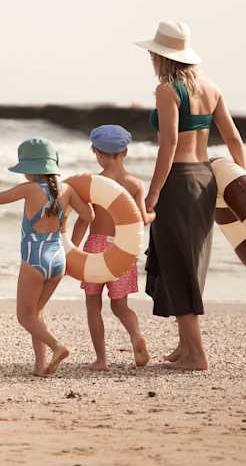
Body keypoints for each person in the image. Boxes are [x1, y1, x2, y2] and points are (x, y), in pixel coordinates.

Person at [135, 20, 246, 371]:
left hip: (178, 181)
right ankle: (185, 347)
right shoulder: (211, 88)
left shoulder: (167, 91)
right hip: (204, 177)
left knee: (179, 263)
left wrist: (152, 194)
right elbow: (234, 140)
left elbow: (167, 145)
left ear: (160, 56)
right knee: (189, 260)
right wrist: (240, 181)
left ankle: (196, 355)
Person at [0, 138, 93, 377]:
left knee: (24, 317)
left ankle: (58, 346)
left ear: (29, 169)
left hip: (35, 258)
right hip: (58, 259)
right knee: (36, 315)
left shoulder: (29, 189)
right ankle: (40, 366)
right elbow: (89, 215)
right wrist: (74, 244)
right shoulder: (67, 189)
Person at [69, 125, 151, 370]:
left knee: (93, 304)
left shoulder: (93, 184)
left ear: (96, 152)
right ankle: (136, 336)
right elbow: (143, 219)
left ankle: (102, 360)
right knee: (121, 306)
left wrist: (70, 249)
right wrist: (154, 213)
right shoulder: (135, 184)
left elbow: (84, 219)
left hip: (96, 247)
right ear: (125, 151)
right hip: (123, 249)